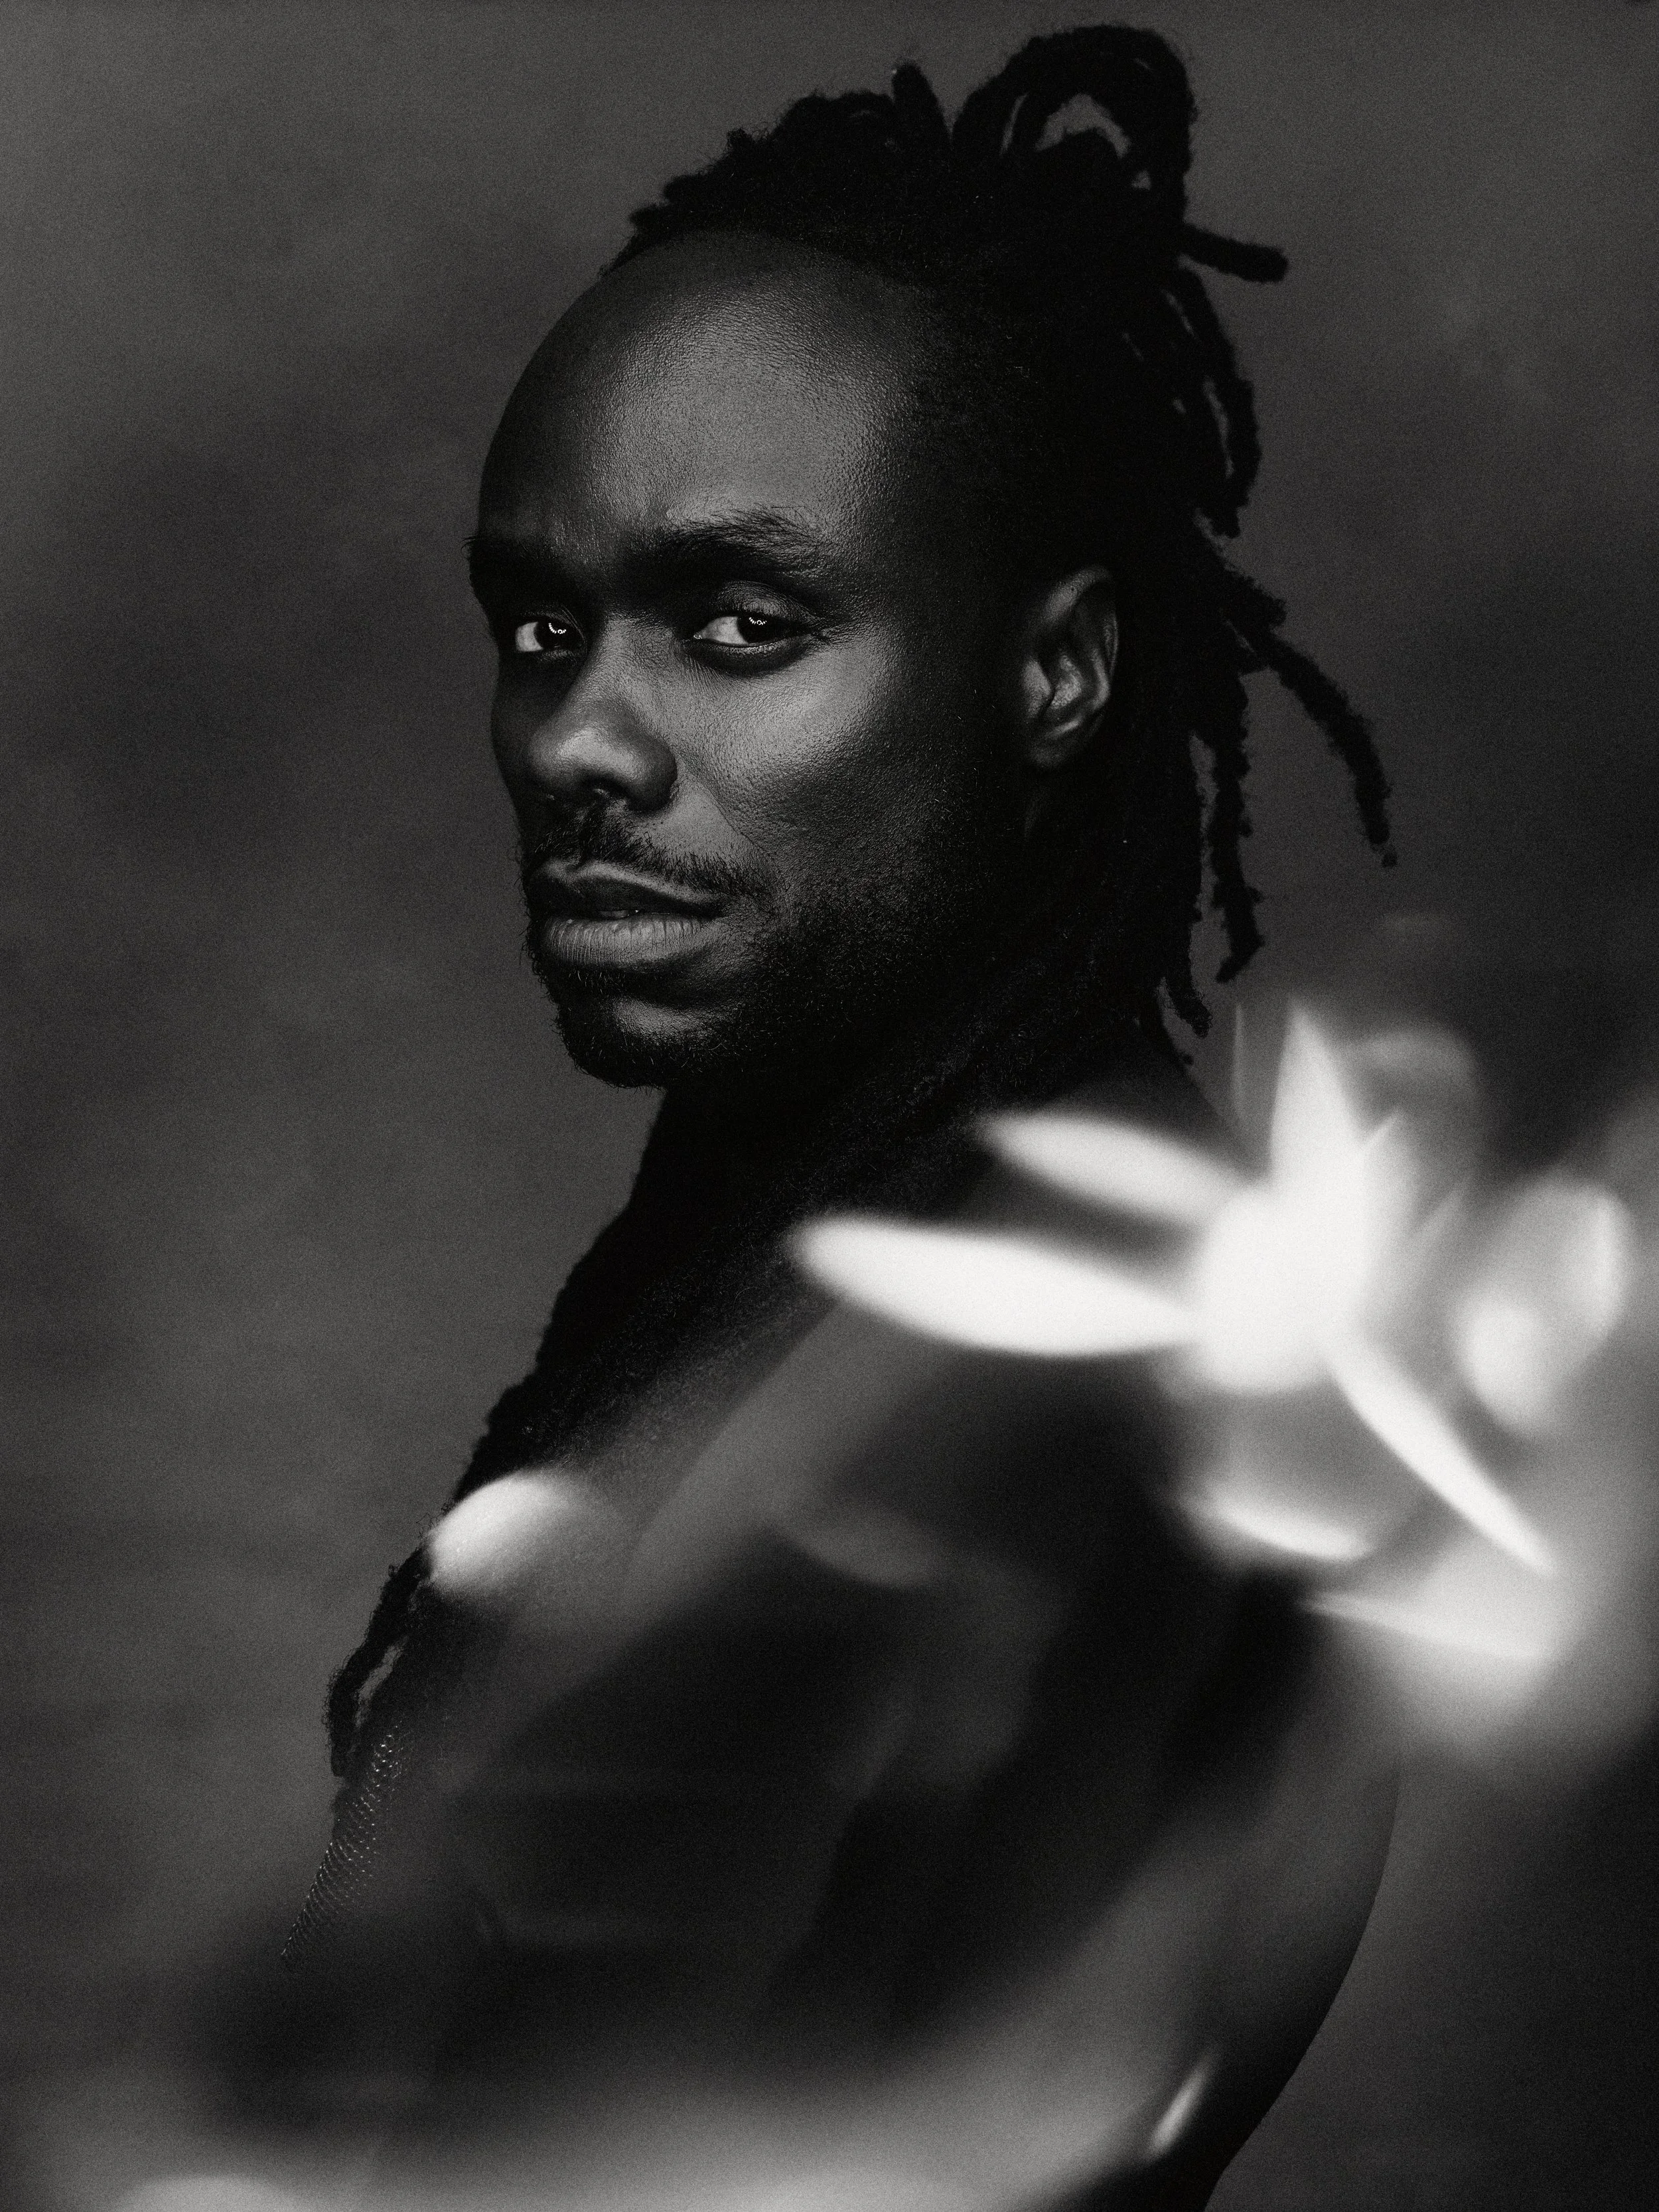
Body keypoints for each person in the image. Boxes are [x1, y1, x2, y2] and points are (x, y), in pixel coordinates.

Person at [271, 27, 1398, 2209]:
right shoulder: (821, 1262)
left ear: (1053, 672)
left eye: (738, 621)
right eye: (540, 619)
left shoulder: (1097, 1407)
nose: (580, 737)